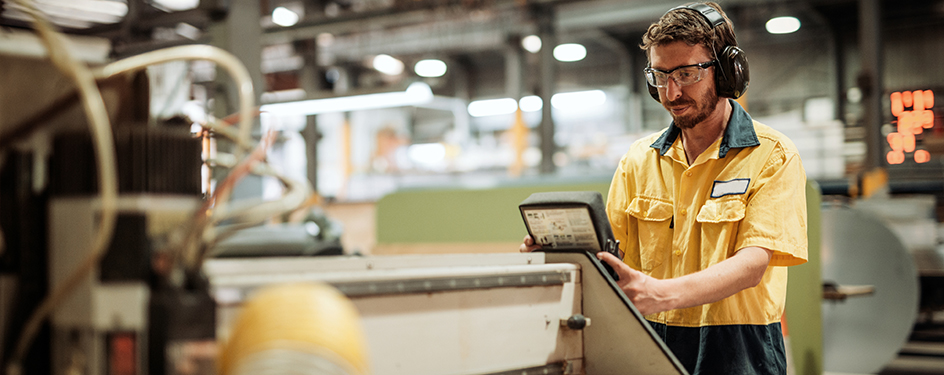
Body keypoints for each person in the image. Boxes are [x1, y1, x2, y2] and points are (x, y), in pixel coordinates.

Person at [520, 2, 807, 374]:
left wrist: (659, 294)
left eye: (686, 74)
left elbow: (752, 265)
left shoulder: (772, 155)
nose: (672, 93)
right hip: (649, 340)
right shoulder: (638, 160)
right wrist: (563, 250)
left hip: (739, 351)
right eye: (660, 75)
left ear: (725, 72)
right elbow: (613, 257)